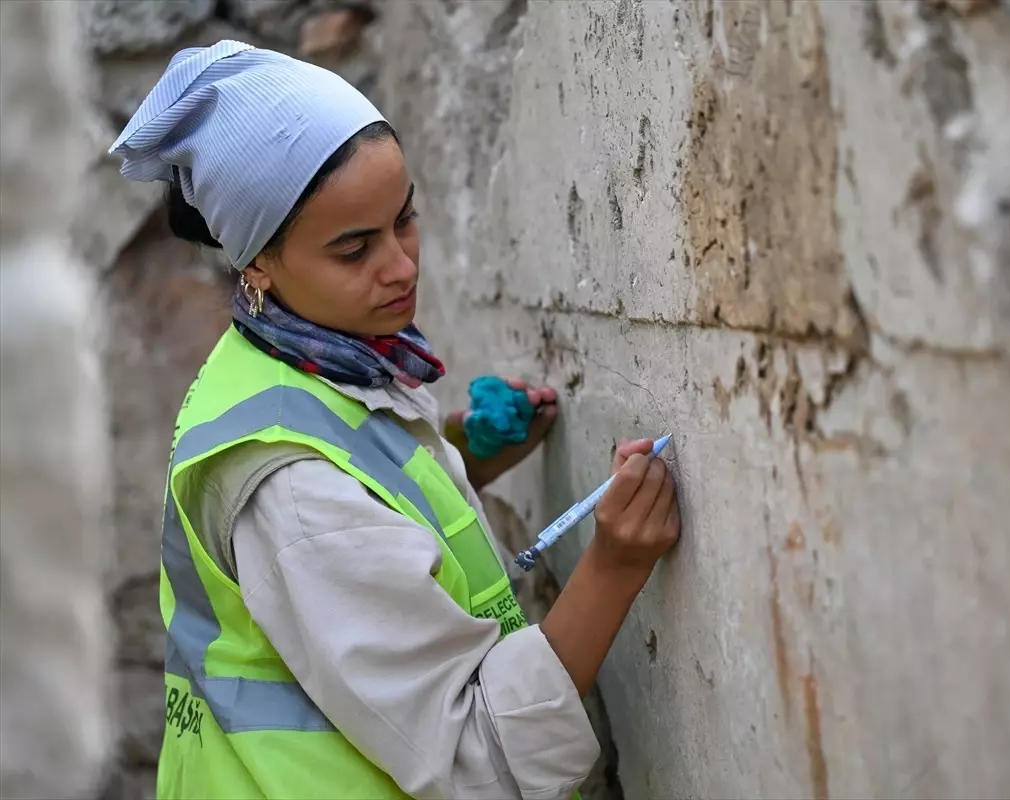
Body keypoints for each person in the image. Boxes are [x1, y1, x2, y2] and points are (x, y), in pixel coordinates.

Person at [110, 40, 681, 800]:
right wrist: (614, 567)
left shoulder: (297, 360)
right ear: (257, 264)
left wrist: (462, 456)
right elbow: (478, 756)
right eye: (354, 248)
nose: (403, 265)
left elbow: (363, 505)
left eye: (404, 220)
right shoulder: (293, 489)